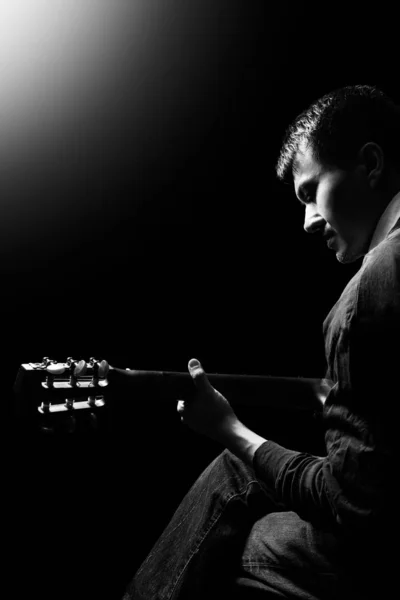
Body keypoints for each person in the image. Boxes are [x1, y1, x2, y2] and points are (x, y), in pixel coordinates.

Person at [122, 85, 400, 599]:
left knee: (236, 501)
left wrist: (231, 430)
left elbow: (354, 507)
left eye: (312, 192)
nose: (308, 221)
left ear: (371, 163)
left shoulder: (365, 296)